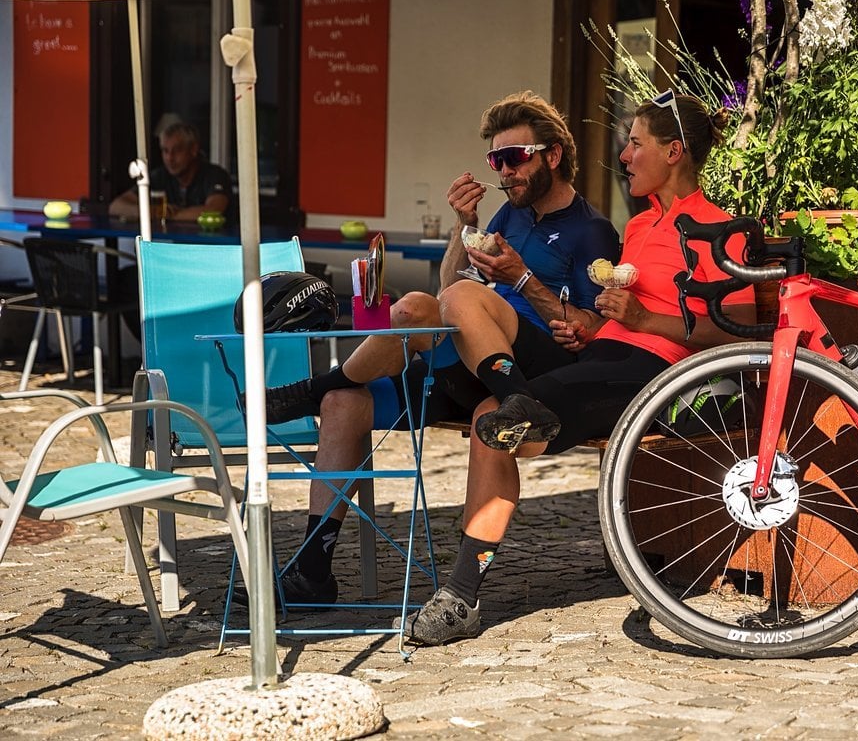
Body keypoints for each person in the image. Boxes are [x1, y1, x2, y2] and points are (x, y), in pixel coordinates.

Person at [235, 91, 620, 607]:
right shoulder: (507, 215)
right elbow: (450, 288)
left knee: (427, 307)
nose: (503, 171)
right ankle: (312, 567)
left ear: (552, 156)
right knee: (354, 390)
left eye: (514, 158)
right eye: (495, 160)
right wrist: (465, 226)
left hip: (533, 368)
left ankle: (318, 385)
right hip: (470, 366)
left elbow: (592, 327)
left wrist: (522, 280)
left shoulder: (591, 230)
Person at [399, 91, 756, 646]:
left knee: (500, 420)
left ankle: (461, 593)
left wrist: (645, 319)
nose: (625, 155)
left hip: (654, 374)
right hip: (601, 357)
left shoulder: (721, 227)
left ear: (674, 152)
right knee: (492, 415)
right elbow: (609, 318)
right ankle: (462, 596)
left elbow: (738, 327)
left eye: (636, 143)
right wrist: (589, 324)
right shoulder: (638, 227)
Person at [109, 122, 232, 222]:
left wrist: (166, 215)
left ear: (193, 150)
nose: (170, 158)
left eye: (177, 150)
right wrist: (147, 211)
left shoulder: (214, 174)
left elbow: (214, 210)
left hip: (211, 248)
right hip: (169, 246)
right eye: (165, 151)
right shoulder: (159, 176)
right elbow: (116, 206)